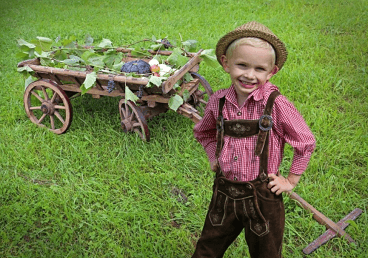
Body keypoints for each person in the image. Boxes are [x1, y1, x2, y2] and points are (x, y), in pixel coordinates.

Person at [192, 21, 316, 258]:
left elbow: (305, 142)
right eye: (242, 65)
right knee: (207, 248)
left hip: (263, 196)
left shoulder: (276, 104)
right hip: (224, 194)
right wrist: (213, 157)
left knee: (266, 253)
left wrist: (290, 180)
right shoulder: (218, 102)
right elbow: (204, 132)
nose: (249, 75)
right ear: (225, 63)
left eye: (259, 69)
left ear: (272, 72)